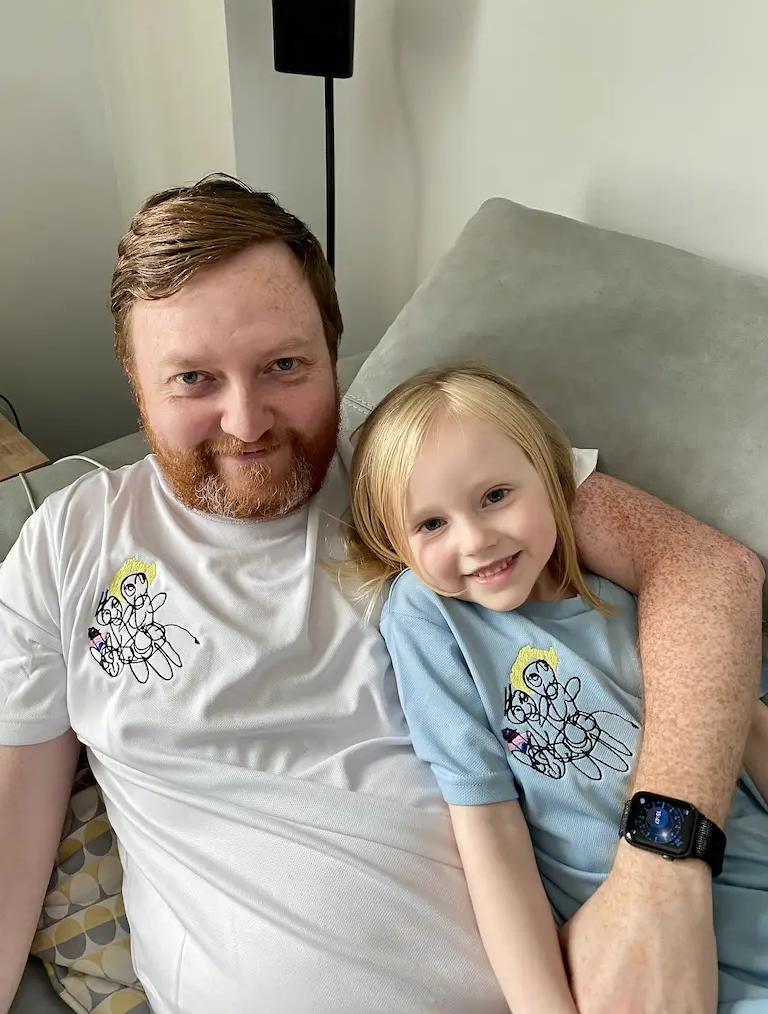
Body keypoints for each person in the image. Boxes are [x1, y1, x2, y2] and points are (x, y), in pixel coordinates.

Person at [0, 175, 763, 1014]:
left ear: (334, 345)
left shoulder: (434, 477)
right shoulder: (67, 543)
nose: (247, 421)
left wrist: (664, 862)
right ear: (134, 377)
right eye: (193, 380)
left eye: (284, 364)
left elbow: (705, 570)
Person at [344, 362, 768, 1013]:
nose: (476, 539)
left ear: (551, 475)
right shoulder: (430, 616)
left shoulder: (642, 600)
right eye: (431, 524)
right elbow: (491, 837)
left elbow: (748, 726)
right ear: (393, 541)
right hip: (638, 966)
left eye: (495, 497)